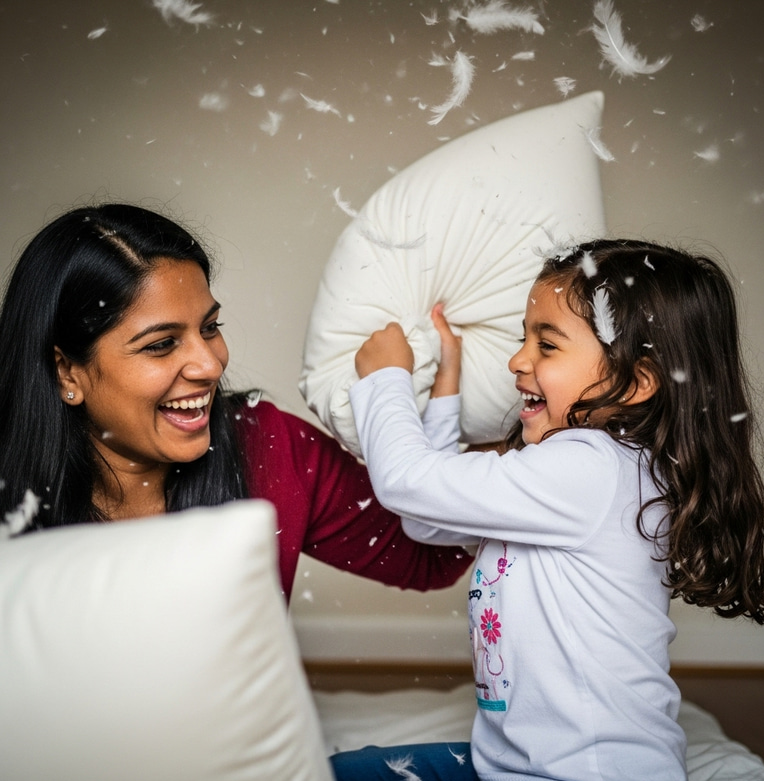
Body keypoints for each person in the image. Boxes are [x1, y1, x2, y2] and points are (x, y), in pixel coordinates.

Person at [331, 240, 764, 781]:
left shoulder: (593, 471)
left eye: (546, 345)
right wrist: (446, 382)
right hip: (511, 772)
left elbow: (408, 483)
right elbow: (425, 521)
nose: (517, 360)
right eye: (523, 338)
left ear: (637, 382)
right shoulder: (566, 476)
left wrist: (384, 381)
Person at [0, 203, 472, 598]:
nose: (209, 364)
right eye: (161, 344)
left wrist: (475, 401)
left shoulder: (270, 446)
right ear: (67, 372)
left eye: (210, 328)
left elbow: (433, 552)